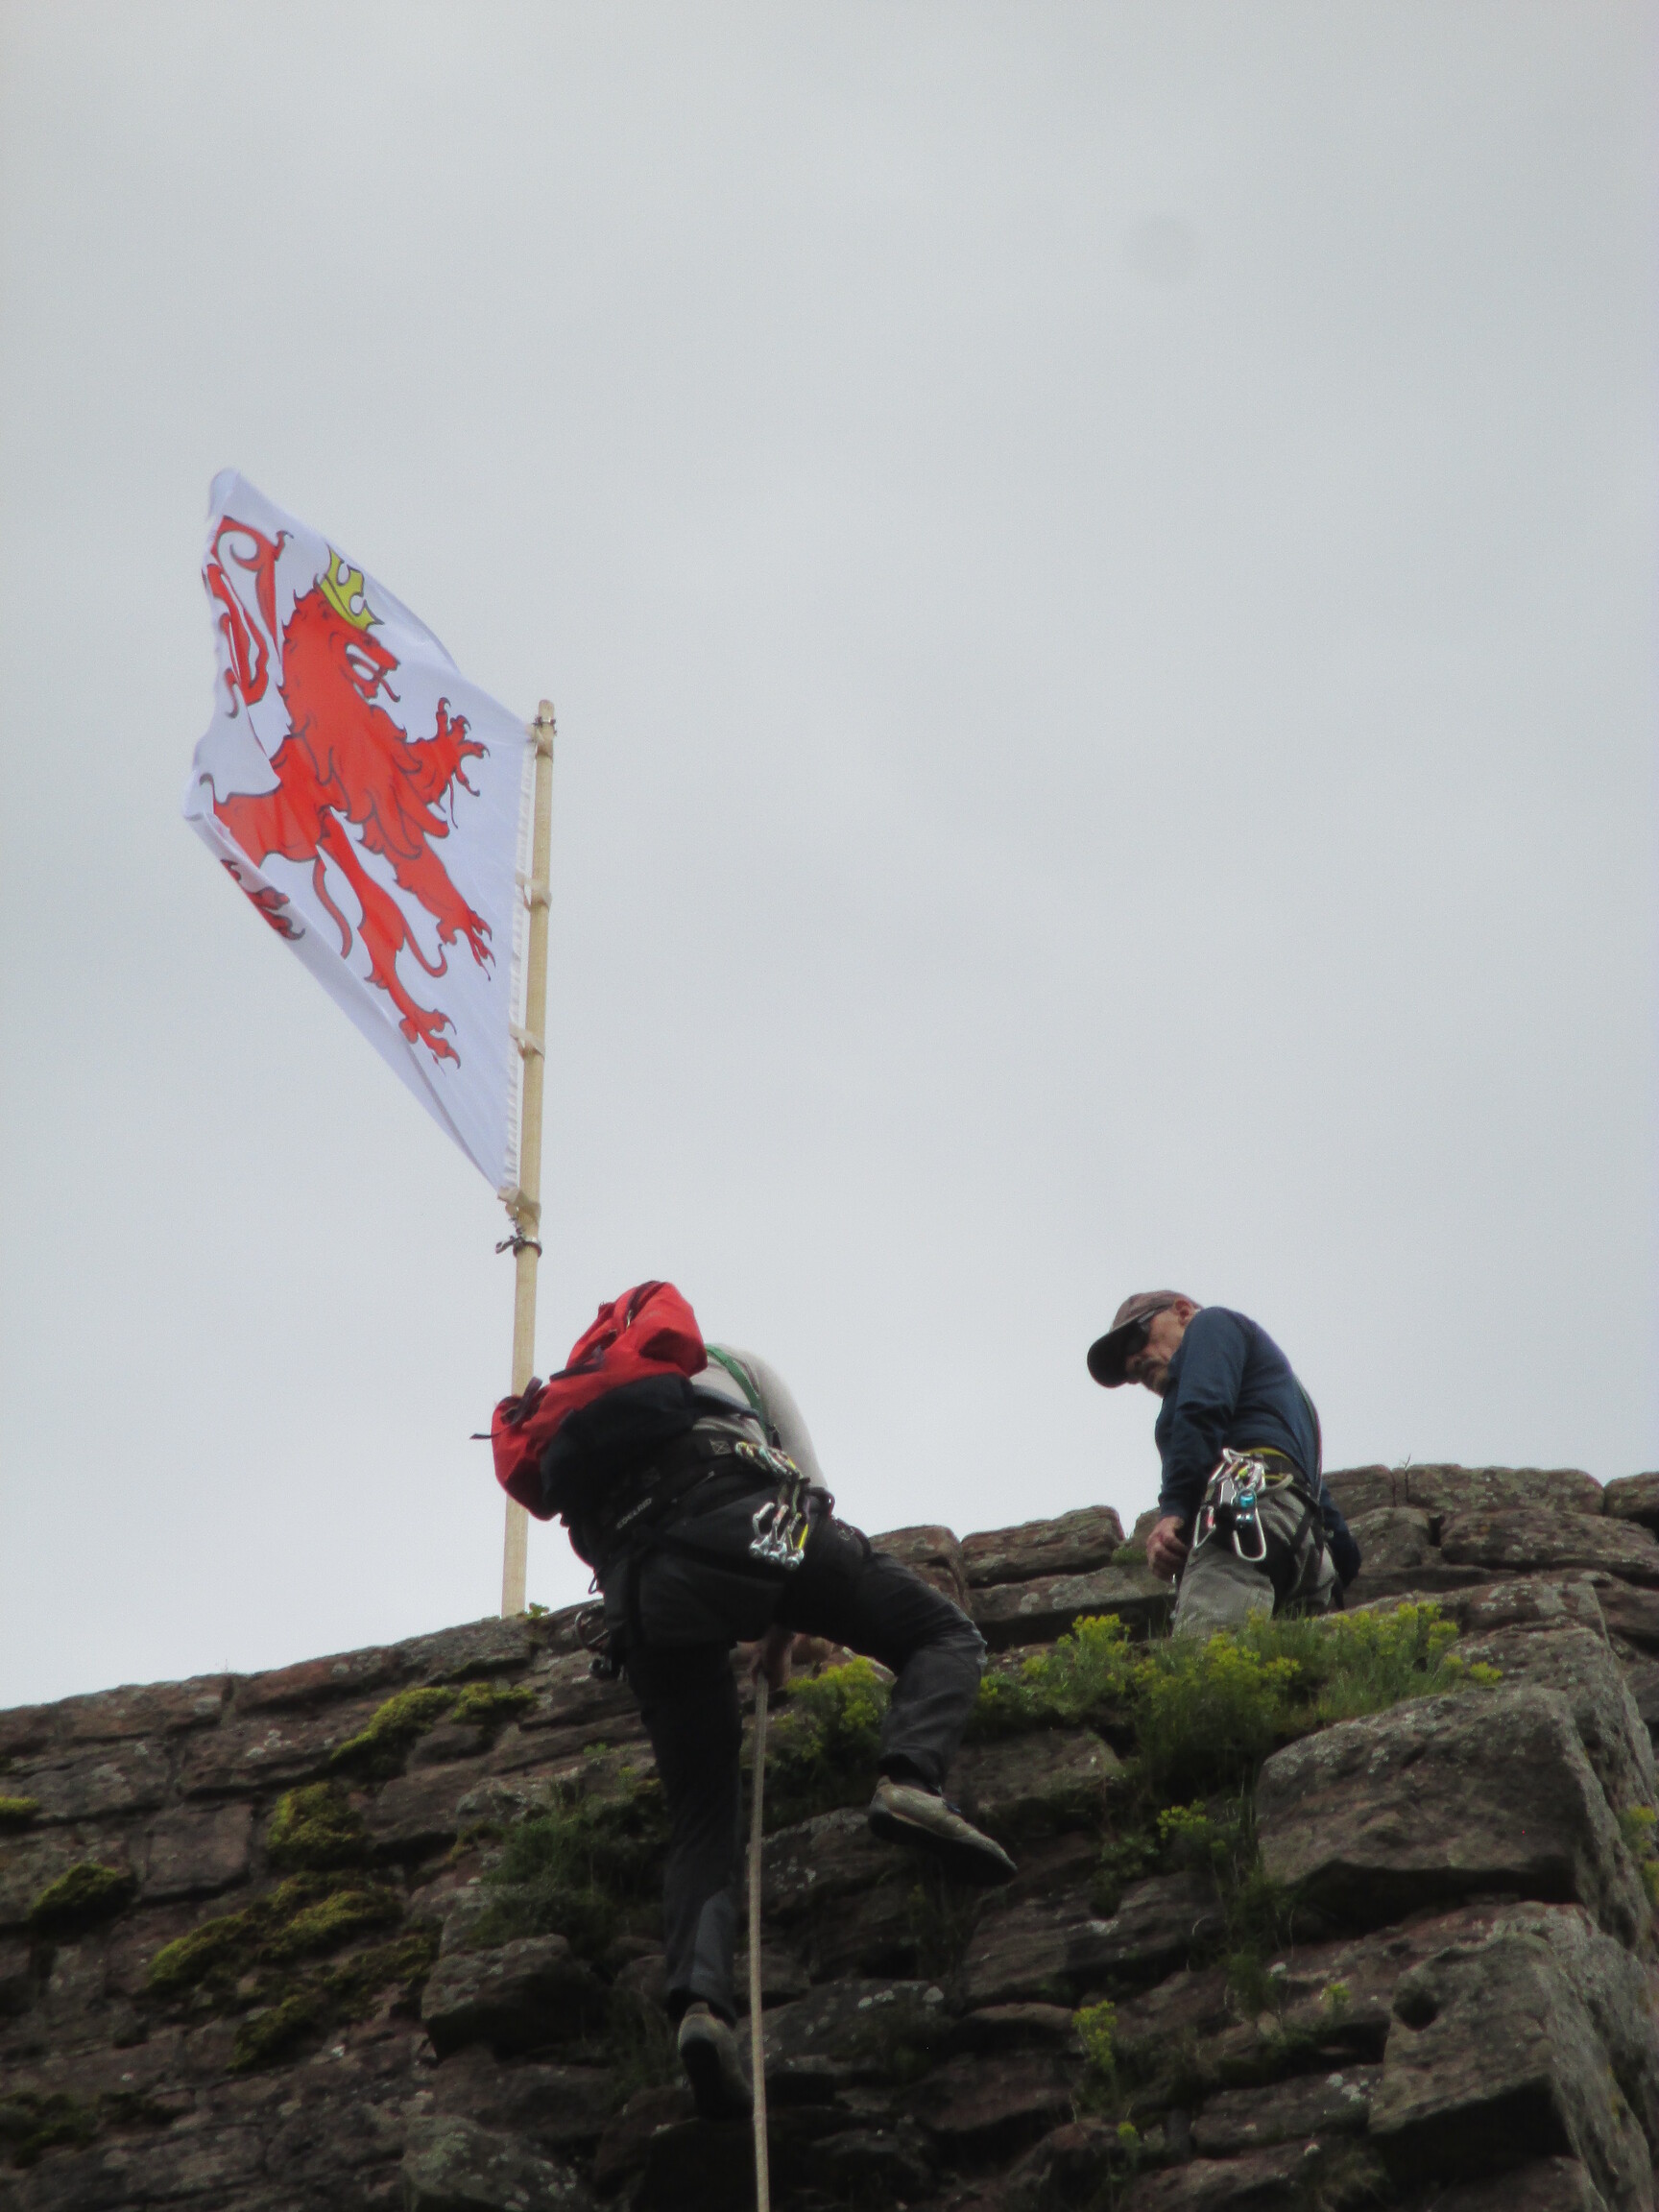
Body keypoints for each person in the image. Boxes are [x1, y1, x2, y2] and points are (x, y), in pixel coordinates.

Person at [555, 1333, 1015, 2120]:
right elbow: (809, 1490)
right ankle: (910, 1780)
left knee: (702, 1810)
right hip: (747, 1527)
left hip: (640, 1594)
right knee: (942, 1635)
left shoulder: (594, 1410)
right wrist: (778, 1637)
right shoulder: (738, 1366)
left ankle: (701, 2006)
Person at [1087, 1291, 1361, 1636]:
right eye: (1126, 1369)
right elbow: (1331, 1524)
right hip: (1303, 1546)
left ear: (1183, 1312)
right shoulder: (1279, 1402)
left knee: (1204, 1657)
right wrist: (1337, 1569)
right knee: (1277, 1666)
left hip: (1243, 1524)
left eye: (1135, 1339)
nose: (1132, 1363)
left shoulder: (1210, 1324)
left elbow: (1201, 1411)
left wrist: (1174, 1511)